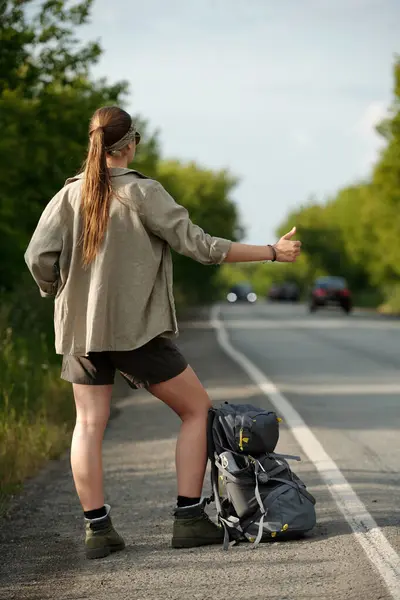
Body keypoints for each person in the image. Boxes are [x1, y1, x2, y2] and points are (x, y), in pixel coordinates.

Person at [24, 106, 301, 560]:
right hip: (137, 333)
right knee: (197, 411)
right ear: (130, 144)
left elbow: (38, 256)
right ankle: (188, 519)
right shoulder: (143, 192)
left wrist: (60, 293)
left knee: (89, 425)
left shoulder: (66, 196)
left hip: (79, 332)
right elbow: (202, 246)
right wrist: (272, 251)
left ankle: (98, 531)